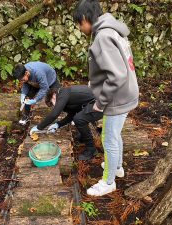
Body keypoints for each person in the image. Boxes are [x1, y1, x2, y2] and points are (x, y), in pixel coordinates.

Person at [73, 0, 139, 196]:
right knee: (115, 133)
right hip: (127, 92)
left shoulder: (102, 36)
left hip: (116, 98)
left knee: (108, 137)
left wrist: (100, 102)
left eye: (79, 23)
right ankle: (117, 167)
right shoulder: (113, 30)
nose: (79, 27)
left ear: (86, 18)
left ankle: (108, 181)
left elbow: (116, 75)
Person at [30, 85, 103, 160]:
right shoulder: (66, 98)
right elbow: (72, 115)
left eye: (52, 103)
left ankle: (91, 149)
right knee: (78, 118)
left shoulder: (63, 93)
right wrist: (58, 124)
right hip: (94, 103)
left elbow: (54, 114)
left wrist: (38, 127)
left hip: (102, 104)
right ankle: (84, 137)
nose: (53, 106)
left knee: (79, 119)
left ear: (54, 95)